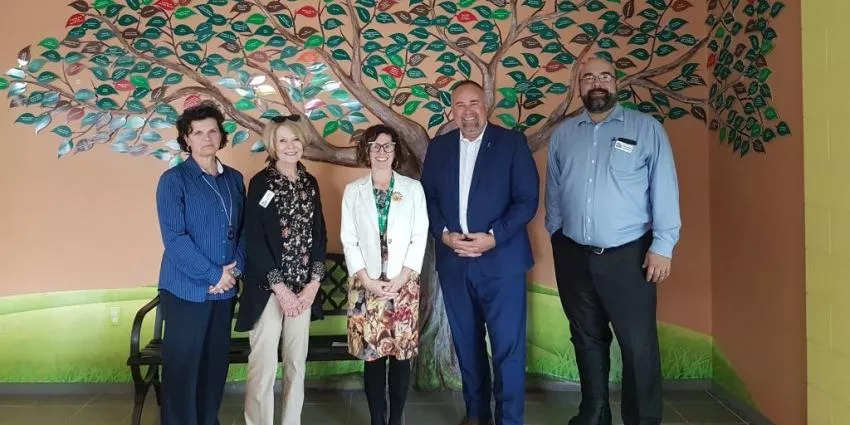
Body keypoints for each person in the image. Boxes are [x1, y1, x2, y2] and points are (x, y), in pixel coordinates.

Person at [545, 57, 681, 425]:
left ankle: (641, 420)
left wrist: (663, 246)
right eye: (588, 78)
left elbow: (664, 189)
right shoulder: (565, 134)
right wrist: (556, 234)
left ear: (616, 83)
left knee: (638, 348)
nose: (596, 83)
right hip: (574, 254)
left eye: (604, 76)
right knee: (586, 340)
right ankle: (593, 414)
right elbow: (554, 189)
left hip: (629, 257)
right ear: (579, 86)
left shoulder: (646, 129)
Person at [420, 81, 539, 425]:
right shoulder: (439, 148)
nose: (467, 111)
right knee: (467, 346)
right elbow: (427, 199)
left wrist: (493, 237)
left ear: (486, 104)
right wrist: (443, 235)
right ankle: (477, 415)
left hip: (501, 263)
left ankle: (509, 419)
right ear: (451, 110)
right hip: (455, 264)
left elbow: (527, 199)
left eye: (474, 103)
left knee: (507, 349)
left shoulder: (512, 143)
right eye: (460, 104)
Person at [155, 102, 246, 425]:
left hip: (223, 293)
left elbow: (245, 230)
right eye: (198, 132)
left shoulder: (234, 179)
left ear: (221, 136)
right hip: (186, 292)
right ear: (186, 139)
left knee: (213, 366)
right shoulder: (173, 180)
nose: (207, 138)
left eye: (212, 131)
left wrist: (233, 271)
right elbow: (175, 239)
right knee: (183, 368)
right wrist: (212, 274)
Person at [235, 115, 327, 425]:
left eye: (295, 139)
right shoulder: (261, 183)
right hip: (268, 291)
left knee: (295, 366)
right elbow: (255, 240)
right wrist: (281, 289)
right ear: (273, 145)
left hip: (302, 293)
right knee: (262, 368)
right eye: (283, 140)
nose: (290, 146)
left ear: (303, 143)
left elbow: (319, 234)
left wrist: (314, 283)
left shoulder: (310, 184)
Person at [340, 124, 429, 425]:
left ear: (395, 150)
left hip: (403, 284)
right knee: (373, 357)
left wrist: (403, 276)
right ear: (366, 150)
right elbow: (348, 239)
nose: (381, 151)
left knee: (400, 356)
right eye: (374, 146)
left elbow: (420, 235)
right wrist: (366, 280)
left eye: (387, 146)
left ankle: (396, 420)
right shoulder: (354, 192)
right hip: (366, 285)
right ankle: (377, 419)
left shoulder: (413, 189)